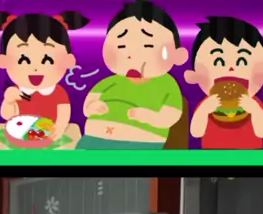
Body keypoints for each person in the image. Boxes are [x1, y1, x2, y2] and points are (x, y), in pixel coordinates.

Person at [77, 0, 188, 150]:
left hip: (141, 144)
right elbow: (88, 104)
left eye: (148, 46)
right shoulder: (111, 81)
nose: (131, 55)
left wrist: (148, 116)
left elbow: (171, 115)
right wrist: (92, 107)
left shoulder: (166, 84)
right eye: (121, 46)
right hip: (94, 138)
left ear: (177, 55)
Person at [0, 11, 88, 142]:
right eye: (24, 60)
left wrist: (60, 129)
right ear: (4, 61)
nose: (35, 68)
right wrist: (9, 101)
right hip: (21, 135)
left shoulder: (59, 93)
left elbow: (63, 115)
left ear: (67, 60)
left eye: (47, 60)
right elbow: (7, 115)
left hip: (49, 134)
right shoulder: (16, 92)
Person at [184, 16, 263, 149]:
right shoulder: (207, 103)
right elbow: (196, 132)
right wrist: (204, 111)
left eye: (242, 61)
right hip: (213, 154)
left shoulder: (255, 103)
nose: (231, 68)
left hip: (250, 154)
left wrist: (255, 110)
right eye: (218, 61)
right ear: (194, 75)